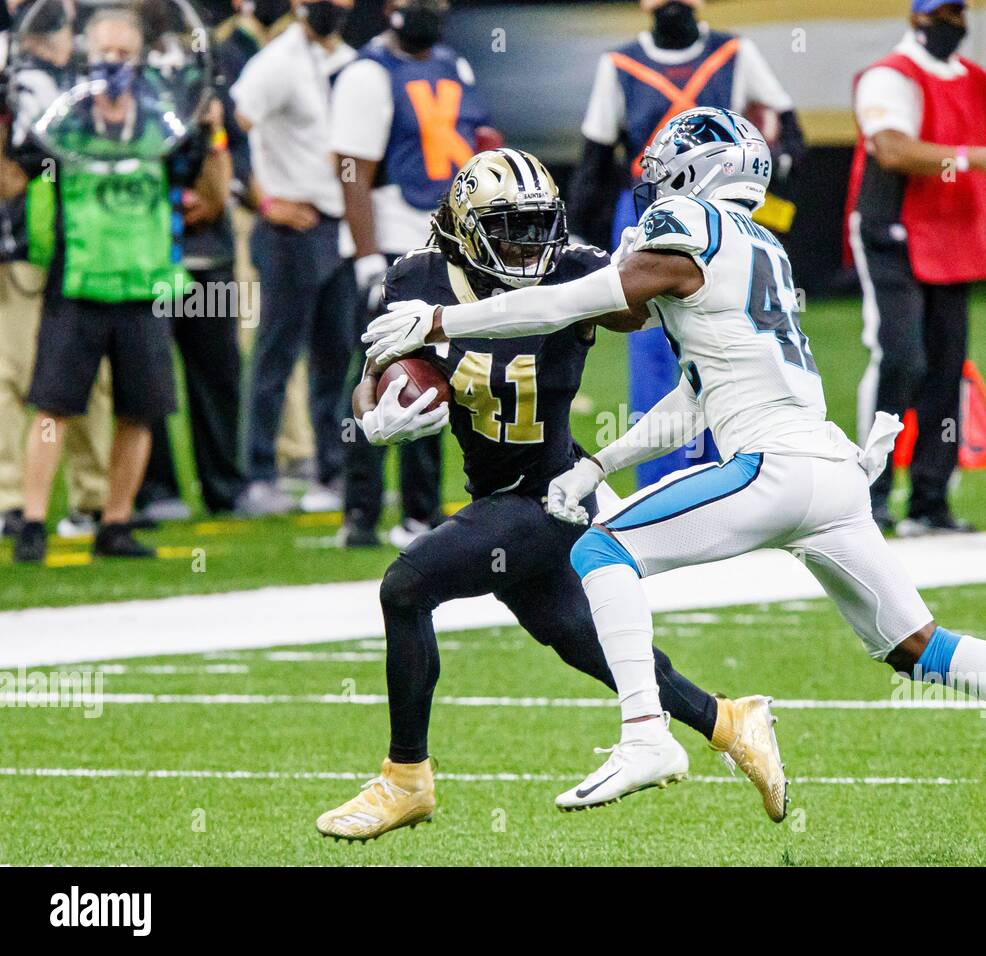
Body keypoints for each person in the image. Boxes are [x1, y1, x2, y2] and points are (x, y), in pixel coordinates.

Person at [364, 108, 986, 833]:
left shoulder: (686, 222)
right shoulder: (762, 247)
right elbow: (696, 397)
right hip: (833, 475)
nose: (655, 176)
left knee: (598, 551)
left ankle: (647, 736)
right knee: (918, 647)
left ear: (701, 172)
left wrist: (439, 319)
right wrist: (600, 462)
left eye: (672, 161)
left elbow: (573, 301)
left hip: (770, 468)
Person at [316, 149, 784, 841]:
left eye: (540, 227)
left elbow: (661, 306)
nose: (529, 245)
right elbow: (373, 371)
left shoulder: (578, 268)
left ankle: (405, 777)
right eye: (510, 228)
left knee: (406, 587)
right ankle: (728, 720)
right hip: (499, 494)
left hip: (555, 496)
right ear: (467, 228)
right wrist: (378, 408)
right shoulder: (416, 277)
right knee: (580, 640)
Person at [13, 7, 221, 562]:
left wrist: (212, 125)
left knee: (139, 411)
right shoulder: (64, 123)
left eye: (124, 53)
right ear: (85, 55)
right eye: (104, 52)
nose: (113, 63)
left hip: (145, 281)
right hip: (79, 278)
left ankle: (116, 521)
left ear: (141, 58)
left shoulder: (163, 124)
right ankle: (32, 520)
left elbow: (204, 183)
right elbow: (19, 170)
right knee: (53, 407)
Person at [568, 0, 804, 488]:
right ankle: (663, 486)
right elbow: (595, 156)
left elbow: (790, 133)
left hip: (723, 214)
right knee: (653, 345)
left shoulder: (734, 52)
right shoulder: (620, 65)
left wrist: (766, 175)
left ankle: (736, 471)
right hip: (648, 211)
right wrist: (582, 239)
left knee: (730, 338)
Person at [847, 0, 986, 534]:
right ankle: (870, 490)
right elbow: (891, 149)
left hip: (952, 235)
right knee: (901, 357)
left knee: (946, 368)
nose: (951, 24)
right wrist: (978, 158)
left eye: (958, 13)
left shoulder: (975, 81)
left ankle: (931, 498)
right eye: (942, 13)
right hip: (892, 229)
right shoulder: (888, 77)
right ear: (916, 18)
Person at [329, 0, 494, 548]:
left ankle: (422, 513)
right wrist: (367, 256)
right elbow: (352, 171)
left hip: (445, 247)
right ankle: (360, 512)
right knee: (375, 376)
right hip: (393, 247)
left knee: (437, 379)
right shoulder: (367, 74)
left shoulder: (455, 64)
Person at [231, 0, 356, 515]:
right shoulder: (277, 61)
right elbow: (231, 126)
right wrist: (262, 200)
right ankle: (258, 475)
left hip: (334, 226)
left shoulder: (340, 60)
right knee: (276, 354)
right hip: (290, 229)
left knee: (337, 355)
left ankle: (330, 472)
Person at [0, 0, 112, 541]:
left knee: (92, 381)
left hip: (88, 246)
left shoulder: (98, 63)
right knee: (16, 376)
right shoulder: (10, 67)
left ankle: (94, 498)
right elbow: (9, 176)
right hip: (21, 242)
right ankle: (13, 498)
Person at [135, 97, 247, 521]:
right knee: (148, 377)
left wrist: (216, 142)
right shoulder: (136, 93)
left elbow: (242, 147)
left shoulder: (209, 83)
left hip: (209, 257)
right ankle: (156, 488)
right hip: (149, 261)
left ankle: (224, 487)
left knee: (218, 375)